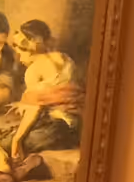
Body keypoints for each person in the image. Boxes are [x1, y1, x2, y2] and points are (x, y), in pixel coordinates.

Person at [8, 19, 82, 160]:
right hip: (77, 128)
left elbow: (35, 108)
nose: (19, 58)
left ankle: (17, 169)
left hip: (54, 131)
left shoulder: (33, 71)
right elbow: (59, 93)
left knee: (2, 143)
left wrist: (17, 139)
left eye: (20, 51)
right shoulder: (64, 57)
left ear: (28, 49)